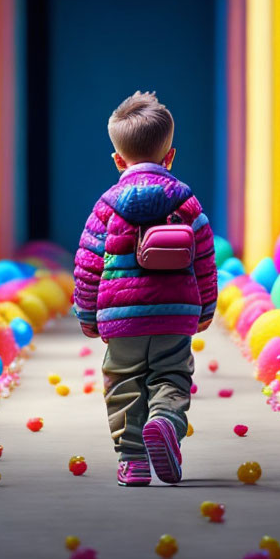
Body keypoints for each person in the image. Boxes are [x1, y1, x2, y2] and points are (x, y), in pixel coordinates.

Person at [73, 91, 218, 486]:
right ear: (170, 157)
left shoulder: (106, 206)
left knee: (123, 383)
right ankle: (165, 421)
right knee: (172, 376)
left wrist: (87, 315)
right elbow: (205, 258)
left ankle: (133, 460)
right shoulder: (187, 204)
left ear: (119, 160)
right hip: (175, 314)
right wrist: (204, 310)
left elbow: (88, 264)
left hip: (122, 319)